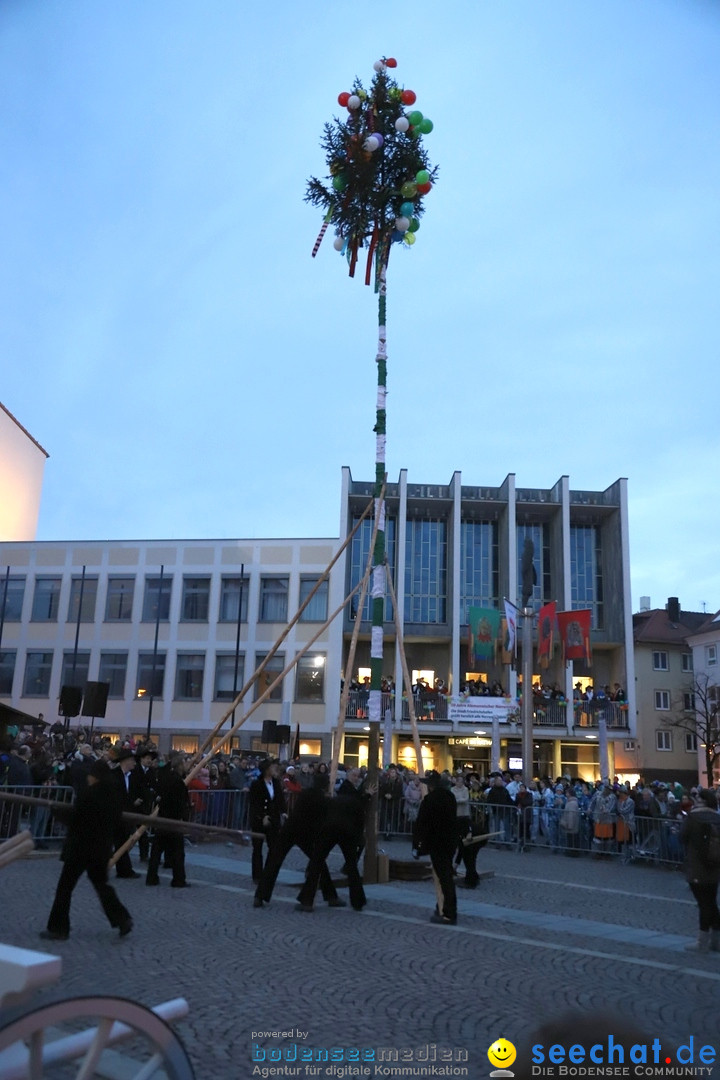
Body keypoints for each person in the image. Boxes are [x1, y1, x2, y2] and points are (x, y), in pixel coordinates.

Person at [40, 759, 133, 941]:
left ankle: (59, 928)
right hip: (100, 849)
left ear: (95, 777)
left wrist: (56, 810)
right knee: (102, 886)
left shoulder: (89, 794)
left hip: (80, 849)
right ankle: (122, 919)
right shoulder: (113, 796)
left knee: (65, 887)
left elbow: (77, 819)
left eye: (90, 776)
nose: (88, 779)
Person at [254, 773, 343, 909]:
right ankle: (331, 897)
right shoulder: (323, 800)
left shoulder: (306, 793)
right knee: (318, 863)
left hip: (290, 829)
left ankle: (260, 896)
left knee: (274, 862)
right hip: (304, 833)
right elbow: (320, 822)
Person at [413, 770, 457, 925]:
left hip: (437, 843)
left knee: (444, 878)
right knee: (445, 876)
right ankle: (442, 906)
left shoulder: (429, 800)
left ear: (430, 786)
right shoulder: (450, 797)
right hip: (450, 842)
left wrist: (417, 846)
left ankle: (449, 913)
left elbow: (421, 825)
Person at [680, 788, 720, 952]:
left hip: (697, 867)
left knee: (704, 904)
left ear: (702, 801)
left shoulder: (693, 817)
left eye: (697, 797)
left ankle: (702, 942)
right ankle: (716, 941)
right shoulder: (718, 818)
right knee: (711, 902)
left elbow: (682, 837)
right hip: (715, 867)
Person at [146, 753, 192, 888]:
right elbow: (181, 802)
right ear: (179, 765)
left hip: (162, 818)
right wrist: (183, 817)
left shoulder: (165, 778)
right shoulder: (177, 782)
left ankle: (151, 877)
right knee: (178, 853)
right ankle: (178, 880)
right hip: (173, 820)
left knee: (156, 851)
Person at [248, 759, 286, 882]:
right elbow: (254, 803)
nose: (274, 769)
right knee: (257, 848)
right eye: (272, 767)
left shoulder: (275, 783)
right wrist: (261, 816)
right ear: (266, 770)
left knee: (274, 848)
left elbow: (279, 799)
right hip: (259, 821)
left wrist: (284, 812)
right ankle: (257, 875)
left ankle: (268, 872)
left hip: (273, 820)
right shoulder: (256, 784)